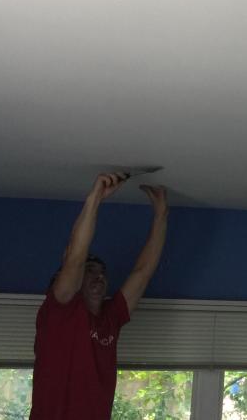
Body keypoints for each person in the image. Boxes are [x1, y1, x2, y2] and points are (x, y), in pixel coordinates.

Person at [29, 172, 169, 420]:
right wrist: (95, 199)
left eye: (102, 272)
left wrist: (161, 215)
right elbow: (74, 257)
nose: (99, 276)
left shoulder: (111, 318)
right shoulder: (60, 310)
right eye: (89, 271)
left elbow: (142, 272)